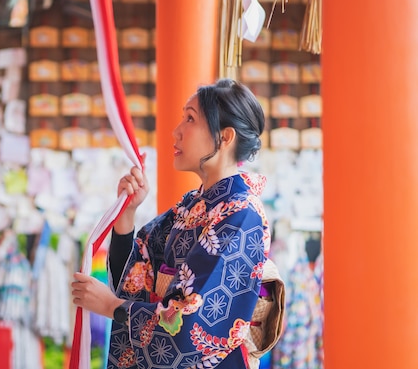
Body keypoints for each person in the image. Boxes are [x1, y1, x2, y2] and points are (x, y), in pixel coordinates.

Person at [71, 78, 271, 369]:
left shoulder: (242, 214)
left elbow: (191, 324)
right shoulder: (192, 205)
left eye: (190, 118)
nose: (176, 131)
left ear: (225, 137)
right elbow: (138, 272)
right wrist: (127, 213)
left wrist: (111, 306)